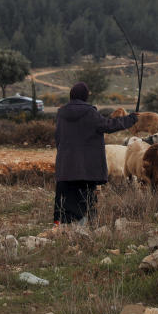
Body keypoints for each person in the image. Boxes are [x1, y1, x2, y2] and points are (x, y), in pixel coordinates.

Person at [53, 82, 138, 225]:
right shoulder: (89, 112)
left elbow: (58, 137)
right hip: (86, 168)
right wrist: (130, 119)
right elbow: (109, 125)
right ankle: (83, 228)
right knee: (85, 198)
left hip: (66, 165)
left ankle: (61, 226)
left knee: (65, 198)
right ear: (85, 96)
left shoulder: (61, 113)